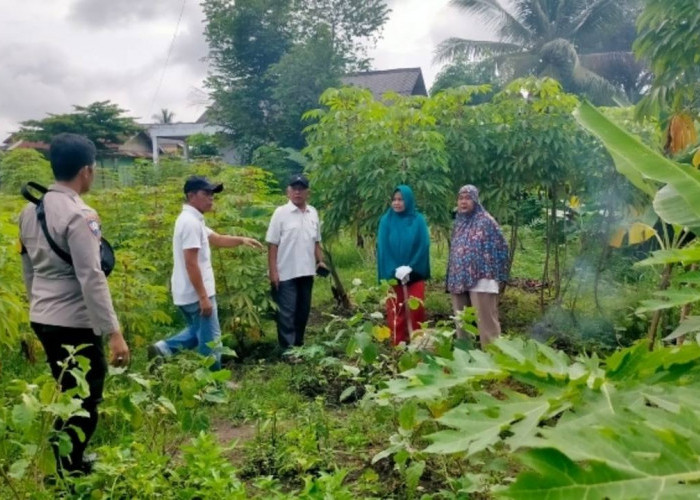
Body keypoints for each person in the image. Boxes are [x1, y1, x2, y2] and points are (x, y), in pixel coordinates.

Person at [18, 133, 130, 475]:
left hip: (43, 316)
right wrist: (114, 332)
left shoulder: (29, 210)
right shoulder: (81, 215)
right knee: (85, 398)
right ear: (86, 171)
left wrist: (39, 305)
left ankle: (67, 462)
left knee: (67, 391)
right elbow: (91, 277)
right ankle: (68, 469)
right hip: (75, 321)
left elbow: (28, 269)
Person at [149, 176, 264, 370]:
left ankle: (163, 349)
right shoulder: (190, 223)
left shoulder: (194, 220)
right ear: (191, 195)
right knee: (211, 341)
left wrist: (242, 240)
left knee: (198, 332)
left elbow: (217, 239)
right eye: (206, 193)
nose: (211, 198)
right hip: (197, 293)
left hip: (187, 292)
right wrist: (203, 297)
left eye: (212, 194)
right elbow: (191, 264)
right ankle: (212, 385)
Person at [266, 173, 327, 351]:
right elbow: (272, 244)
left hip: (307, 271)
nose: (297, 192)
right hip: (285, 272)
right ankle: (288, 349)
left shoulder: (313, 212)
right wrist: (273, 272)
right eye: (294, 189)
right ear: (288, 191)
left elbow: (316, 241)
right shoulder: (281, 213)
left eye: (301, 189)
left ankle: (299, 344)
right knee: (287, 312)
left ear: (308, 192)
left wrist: (320, 261)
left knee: (303, 310)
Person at [446, 185, 509, 347]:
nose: (463, 202)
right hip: (459, 279)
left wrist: (491, 270)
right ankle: (465, 361)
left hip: (482, 280)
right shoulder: (459, 223)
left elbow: (502, 247)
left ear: (475, 200)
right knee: (462, 325)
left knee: (487, 326)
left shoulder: (486, 221)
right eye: (461, 198)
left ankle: (494, 364)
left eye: (468, 198)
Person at [377, 185, 431, 345]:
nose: (397, 203)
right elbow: (383, 248)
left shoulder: (418, 220)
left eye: (401, 199)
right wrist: (395, 270)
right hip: (392, 274)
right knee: (396, 310)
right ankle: (398, 346)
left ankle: (418, 346)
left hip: (414, 274)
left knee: (416, 309)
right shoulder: (386, 220)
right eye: (394, 199)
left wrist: (411, 267)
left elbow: (424, 245)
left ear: (408, 200)